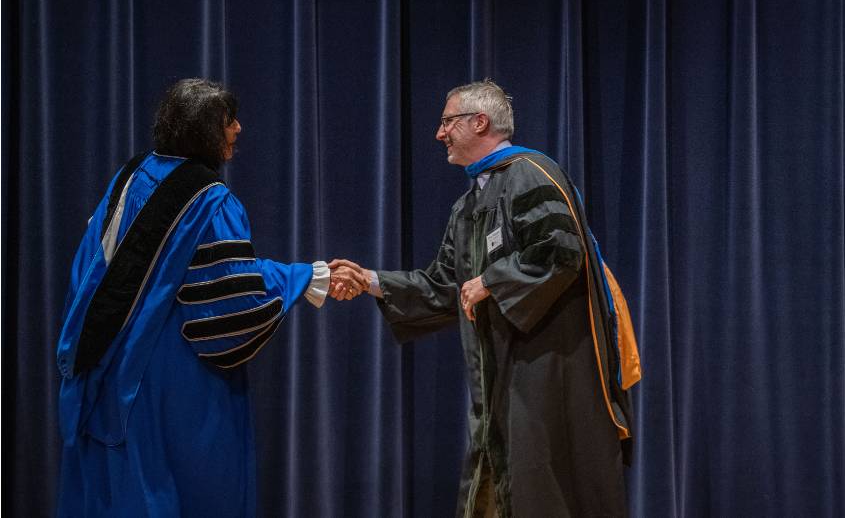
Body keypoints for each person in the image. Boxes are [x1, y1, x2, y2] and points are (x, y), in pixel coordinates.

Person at [55, 78, 366, 517]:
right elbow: (231, 298)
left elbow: (87, 272)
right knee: (178, 492)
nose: (238, 129)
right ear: (204, 129)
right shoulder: (211, 200)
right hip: (171, 378)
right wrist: (306, 276)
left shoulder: (130, 176)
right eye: (228, 121)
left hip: (107, 366)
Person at [333, 80, 640, 517]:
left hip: (549, 374)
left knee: (548, 491)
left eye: (446, 122)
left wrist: (493, 281)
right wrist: (372, 281)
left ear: (480, 122)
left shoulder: (531, 173)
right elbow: (445, 287)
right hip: (502, 381)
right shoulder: (469, 204)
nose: (439, 134)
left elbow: (561, 251)